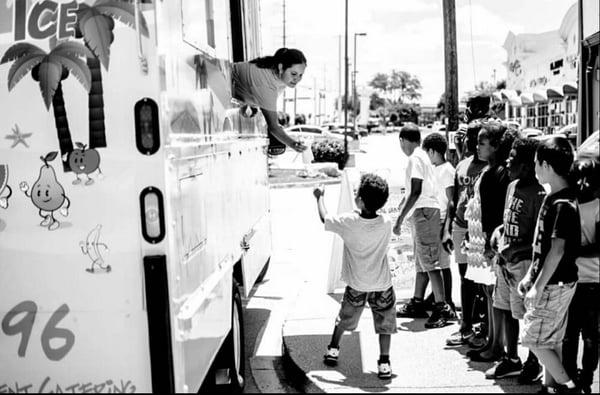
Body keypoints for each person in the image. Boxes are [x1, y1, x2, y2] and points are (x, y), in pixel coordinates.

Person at [313, 174, 396, 379]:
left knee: (345, 319)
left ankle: (333, 349)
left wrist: (319, 197)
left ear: (360, 200)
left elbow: (325, 218)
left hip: (357, 284)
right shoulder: (386, 222)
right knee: (385, 323)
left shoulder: (348, 222)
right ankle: (384, 363)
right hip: (382, 284)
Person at [518, 136, 580, 394]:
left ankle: (568, 386)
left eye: (536, 163)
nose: (534, 168)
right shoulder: (553, 197)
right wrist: (530, 277)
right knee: (550, 339)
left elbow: (556, 251)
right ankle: (550, 386)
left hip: (554, 284)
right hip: (551, 281)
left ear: (546, 165)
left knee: (533, 338)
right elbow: (541, 249)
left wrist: (537, 286)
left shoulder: (563, 204)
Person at [485, 137, 545, 382]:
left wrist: (517, 248)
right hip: (505, 261)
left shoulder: (540, 194)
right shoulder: (512, 186)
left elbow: (540, 237)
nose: (507, 161)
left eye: (513, 158)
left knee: (526, 313)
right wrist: (499, 231)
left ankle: (533, 361)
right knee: (506, 309)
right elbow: (508, 218)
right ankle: (511, 359)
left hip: (523, 264)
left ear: (529, 166)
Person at [464, 122, 515, 363]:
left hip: (494, 242)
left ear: (495, 146)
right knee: (489, 292)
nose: (477, 147)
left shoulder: (499, 173)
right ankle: (493, 340)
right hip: (486, 239)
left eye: (482, 143)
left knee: (496, 295)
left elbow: (495, 212)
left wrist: (488, 243)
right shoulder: (492, 171)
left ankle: (497, 345)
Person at [394, 123, 453, 329]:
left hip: (425, 211)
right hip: (424, 211)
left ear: (403, 140)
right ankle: (417, 302)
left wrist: (400, 218)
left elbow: (416, 189)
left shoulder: (415, 158)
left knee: (431, 262)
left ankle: (442, 308)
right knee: (422, 261)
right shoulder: (423, 157)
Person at [445, 121, 488, 347]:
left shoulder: (492, 168)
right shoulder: (462, 165)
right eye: (469, 138)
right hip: (460, 227)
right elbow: (454, 200)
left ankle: (485, 327)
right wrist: (447, 229)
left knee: (483, 281)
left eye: (476, 139)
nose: (472, 142)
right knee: (465, 278)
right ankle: (465, 326)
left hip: (480, 229)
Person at [562, 155, 600, 394]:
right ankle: (577, 380)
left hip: (585, 280)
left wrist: (572, 250)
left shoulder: (584, 207)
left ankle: (580, 379)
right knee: (578, 335)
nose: (583, 185)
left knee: (582, 335)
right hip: (580, 279)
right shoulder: (574, 205)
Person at [232, 47, 307, 154]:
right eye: (294, 74)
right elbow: (273, 127)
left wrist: (252, 105)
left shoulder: (280, 79)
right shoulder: (267, 83)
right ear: (281, 67)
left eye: (301, 75)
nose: (297, 79)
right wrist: (293, 144)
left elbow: (251, 89)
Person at [422, 132, 457, 317]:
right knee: (434, 262)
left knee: (443, 265)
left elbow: (452, 200)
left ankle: (448, 301)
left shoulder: (447, 170)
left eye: (427, 152)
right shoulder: (434, 169)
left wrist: (447, 229)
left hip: (443, 220)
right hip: (433, 220)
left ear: (434, 151)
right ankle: (436, 296)